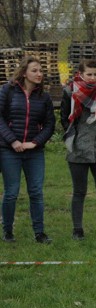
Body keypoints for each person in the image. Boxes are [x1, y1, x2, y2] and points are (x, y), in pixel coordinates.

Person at [0, 56, 55, 244]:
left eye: (41, 70)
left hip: (34, 152)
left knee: (36, 192)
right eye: (34, 70)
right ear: (24, 73)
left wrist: (35, 142)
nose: (39, 74)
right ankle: (7, 231)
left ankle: (39, 233)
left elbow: (49, 125)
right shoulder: (7, 91)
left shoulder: (44, 97)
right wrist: (13, 141)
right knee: (11, 192)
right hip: (9, 151)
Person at [60, 59, 96, 240]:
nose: (92, 78)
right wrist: (74, 139)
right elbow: (64, 120)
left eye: (95, 74)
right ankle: (77, 229)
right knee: (79, 191)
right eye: (88, 74)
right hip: (78, 150)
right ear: (80, 74)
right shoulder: (70, 92)